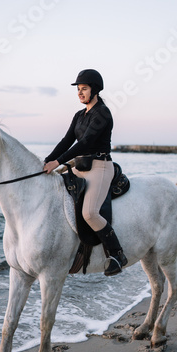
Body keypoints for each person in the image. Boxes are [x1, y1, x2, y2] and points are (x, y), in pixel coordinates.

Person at [44, 69, 127, 276]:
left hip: (100, 167)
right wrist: (46, 161)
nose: (80, 93)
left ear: (95, 90)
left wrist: (58, 162)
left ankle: (117, 254)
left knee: (89, 213)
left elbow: (86, 142)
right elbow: (66, 141)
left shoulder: (103, 113)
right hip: (80, 168)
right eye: (78, 89)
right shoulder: (79, 115)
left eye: (84, 89)